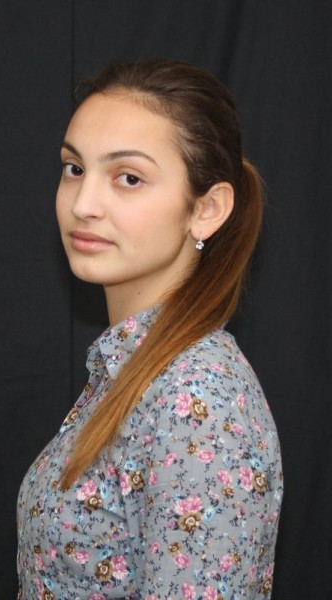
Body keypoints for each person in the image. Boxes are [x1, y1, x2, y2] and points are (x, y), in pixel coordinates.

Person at [17, 58, 283, 600]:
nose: (83, 205)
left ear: (206, 209)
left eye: (129, 178)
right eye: (74, 168)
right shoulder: (134, 367)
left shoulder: (197, 399)